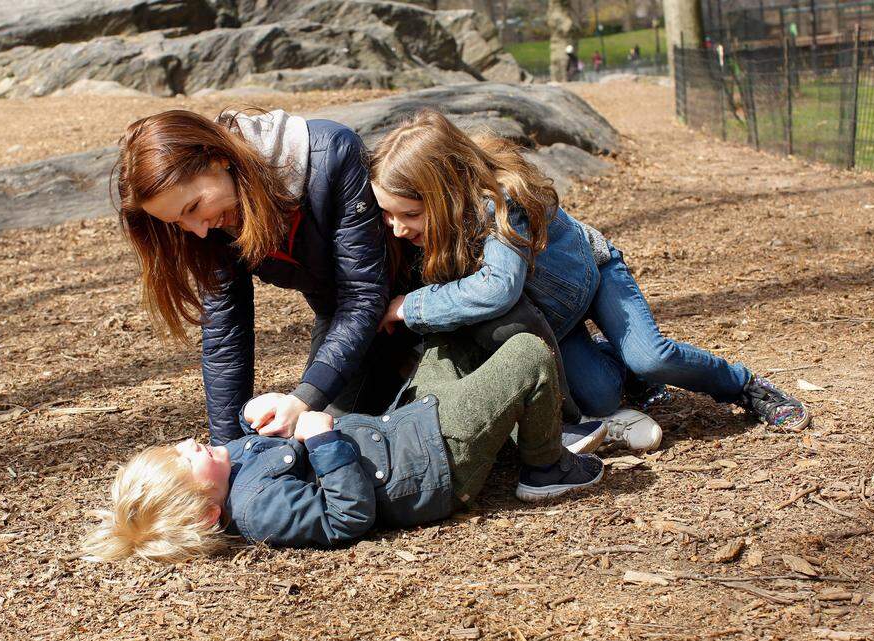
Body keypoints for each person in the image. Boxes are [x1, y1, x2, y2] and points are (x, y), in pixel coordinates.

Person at [369, 110, 811, 450]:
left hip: (594, 277)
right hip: (553, 323)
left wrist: (411, 306)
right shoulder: (424, 231)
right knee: (599, 399)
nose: (397, 227)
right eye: (387, 213)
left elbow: (497, 288)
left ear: (448, 192)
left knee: (651, 358)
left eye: (409, 214)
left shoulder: (500, 203)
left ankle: (744, 386)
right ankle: (624, 373)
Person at [82, 333, 605, 563]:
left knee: (450, 343)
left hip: (407, 426)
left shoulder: (233, 468)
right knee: (526, 354)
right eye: (183, 460)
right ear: (204, 515)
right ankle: (546, 466)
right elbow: (346, 517)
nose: (188, 444)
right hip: (435, 460)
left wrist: (262, 413)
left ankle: (518, 425)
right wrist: (324, 440)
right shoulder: (259, 511)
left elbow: (265, 446)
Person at [114, 109, 392, 447]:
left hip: (415, 301)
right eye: (179, 223)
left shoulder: (330, 153)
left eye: (193, 208)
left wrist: (304, 397)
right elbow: (225, 337)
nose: (198, 230)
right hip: (343, 322)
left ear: (218, 159)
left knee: (380, 437)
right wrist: (228, 452)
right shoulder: (213, 224)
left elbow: (362, 293)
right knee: (308, 440)